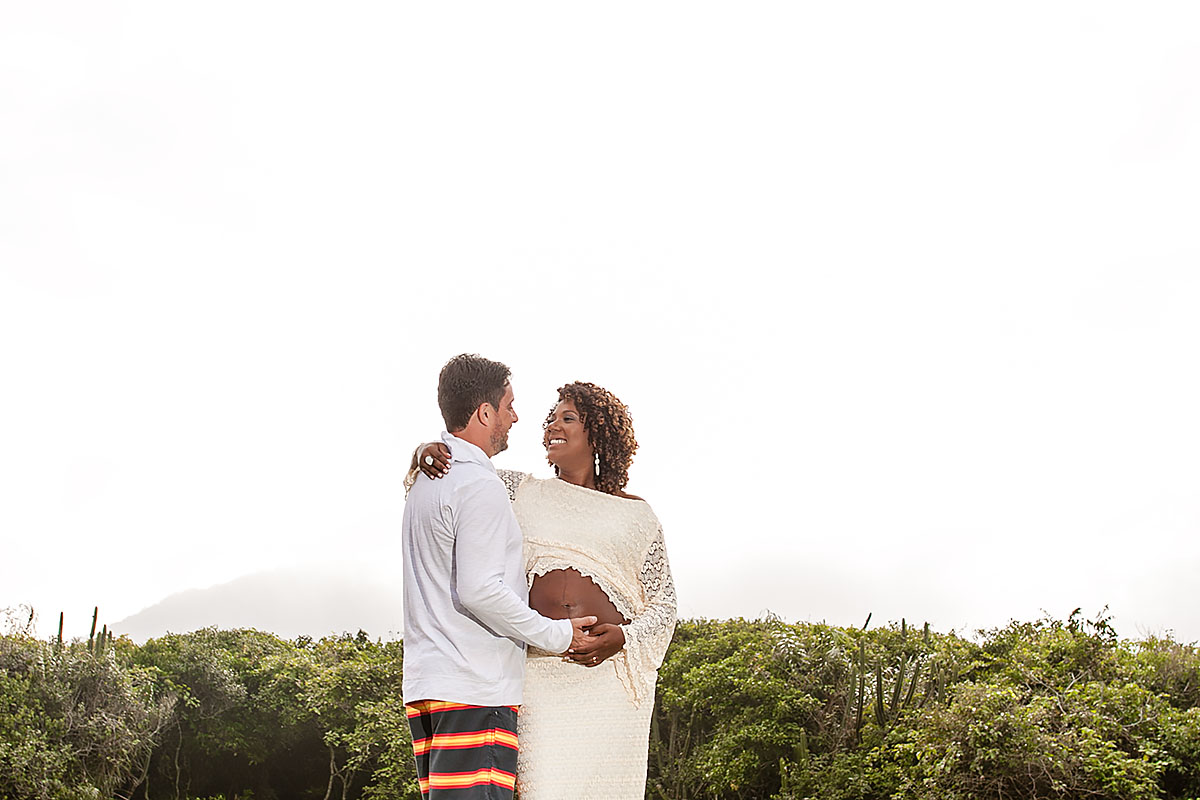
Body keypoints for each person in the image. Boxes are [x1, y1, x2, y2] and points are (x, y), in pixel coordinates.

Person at [413, 380, 677, 799]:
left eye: (567, 418)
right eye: (550, 418)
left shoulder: (639, 515)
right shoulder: (519, 489)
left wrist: (624, 638)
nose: (552, 424)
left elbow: (665, 604)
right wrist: (427, 449)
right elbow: (459, 474)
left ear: (599, 434)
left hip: (610, 685)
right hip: (541, 673)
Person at [401, 354, 598, 800]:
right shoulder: (477, 484)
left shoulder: (425, 480)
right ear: (484, 412)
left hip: (430, 687)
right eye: (508, 405)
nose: (515, 417)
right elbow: (479, 589)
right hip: (474, 689)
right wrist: (557, 634)